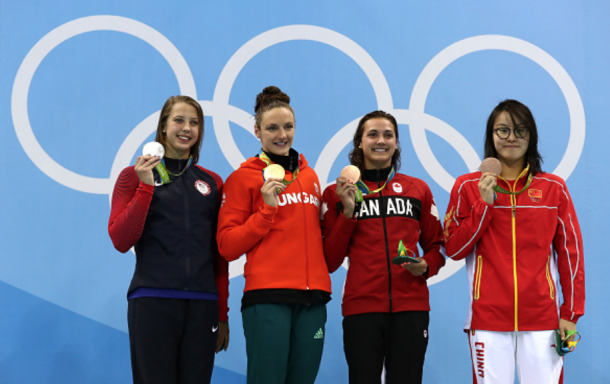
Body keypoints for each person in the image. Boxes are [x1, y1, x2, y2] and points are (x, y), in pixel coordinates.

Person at [444, 99, 585, 383]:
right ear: (491, 136)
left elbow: (571, 255)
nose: (512, 138)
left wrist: (570, 314)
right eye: (503, 130)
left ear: (531, 136)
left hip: (543, 320)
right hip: (487, 320)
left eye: (521, 130)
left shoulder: (553, 188)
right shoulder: (467, 187)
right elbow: (454, 249)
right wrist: (483, 205)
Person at [108, 95, 229, 384]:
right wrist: (146, 188)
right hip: (152, 301)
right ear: (163, 126)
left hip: (202, 305)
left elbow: (219, 254)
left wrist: (222, 313)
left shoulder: (212, 182)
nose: (186, 128)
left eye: (194, 122)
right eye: (179, 120)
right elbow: (121, 239)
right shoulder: (132, 176)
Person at [216, 86, 331, 384]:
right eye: (272, 128)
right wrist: (266, 212)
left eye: (288, 126)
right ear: (257, 130)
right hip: (267, 298)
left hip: (313, 299)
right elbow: (227, 246)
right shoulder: (243, 178)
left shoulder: (310, 176)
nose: (282, 134)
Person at [321, 110, 445, 384]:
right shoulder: (337, 193)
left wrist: (426, 266)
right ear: (359, 143)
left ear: (397, 143)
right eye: (373, 134)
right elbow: (329, 261)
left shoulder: (417, 189)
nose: (381, 140)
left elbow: (437, 246)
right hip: (362, 308)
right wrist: (348, 213)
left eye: (388, 135)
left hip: (411, 308)